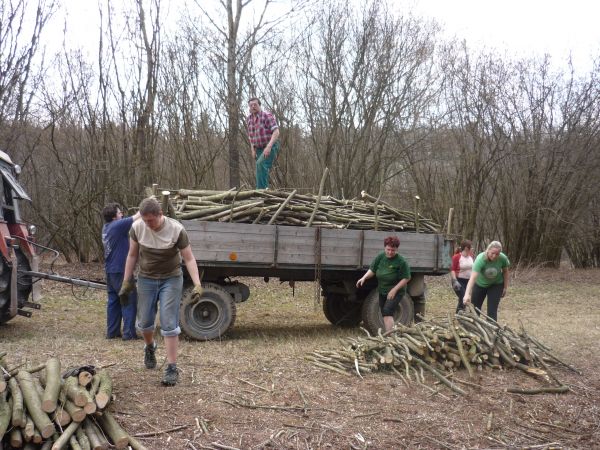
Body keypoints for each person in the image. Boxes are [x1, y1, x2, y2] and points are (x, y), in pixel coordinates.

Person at [119, 198, 203, 386]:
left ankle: (172, 367)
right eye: (145, 220)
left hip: (171, 279)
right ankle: (150, 347)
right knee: (145, 323)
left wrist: (197, 284)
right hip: (146, 278)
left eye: (151, 220)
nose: (148, 224)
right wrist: (126, 281)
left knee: (168, 322)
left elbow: (189, 259)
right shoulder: (137, 228)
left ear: (160, 215)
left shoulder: (176, 229)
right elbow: (132, 255)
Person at [101, 203, 141, 340]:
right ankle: (129, 334)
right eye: (119, 213)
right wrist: (150, 202)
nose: (122, 214)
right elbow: (138, 215)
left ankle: (112, 332)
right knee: (128, 299)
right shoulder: (117, 226)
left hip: (110, 270)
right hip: (121, 270)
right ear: (113, 217)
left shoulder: (106, 227)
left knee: (114, 301)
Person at [356, 236, 411, 332]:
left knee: (387, 311)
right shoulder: (381, 257)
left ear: (397, 249)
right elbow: (372, 270)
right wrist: (364, 277)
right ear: (385, 247)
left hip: (396, 291)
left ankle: (390, 336)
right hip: (382, 290)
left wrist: (394, 290)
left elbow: (407, 277)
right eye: (388, 249)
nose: (390, 252)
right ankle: (390, 334)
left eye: (393, 250)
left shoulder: (401, 261)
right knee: (384, 312)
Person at [463, 241, 510, 322]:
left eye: (497, 254)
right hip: (480, 285)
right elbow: (473, 278)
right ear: (488, 250)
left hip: (496, 285)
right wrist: (467, 294)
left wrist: (505, 287)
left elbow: (505, 271)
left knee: (492, 310)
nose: (494, 256)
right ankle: (473, 328)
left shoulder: (503, 258)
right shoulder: (480, 259)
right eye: (492, 253)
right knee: (475, 309)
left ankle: (491, 330)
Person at [246, 97, 280, 189]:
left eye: (255, 105)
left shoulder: (267, 116)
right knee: (260, 169)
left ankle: (260, 191)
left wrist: (269, 147)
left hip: (271, 145)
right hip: (258, 148)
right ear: (249, 107)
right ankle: (264, 189)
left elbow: (276, 132)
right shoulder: (249, 119)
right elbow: (251, 136)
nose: (253, 107)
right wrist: (252, 149)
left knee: (260, 164)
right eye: (251, 105)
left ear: (259, 105)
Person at [450, 240, 474, 313]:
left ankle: (462, 313)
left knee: (466, 298)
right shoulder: (456, 257)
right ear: (466, 248)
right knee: (463, 296)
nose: (472, 249)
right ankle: (459, 313)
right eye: (470, 247)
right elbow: (452, 269)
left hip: (468, 281)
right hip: (459, 280)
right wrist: (454, 281)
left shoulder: (471, 257)